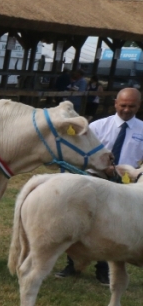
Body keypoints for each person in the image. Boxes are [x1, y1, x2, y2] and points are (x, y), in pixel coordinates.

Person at [56, 87, 143, 284]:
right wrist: (104, 168)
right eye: (123, 105)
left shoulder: (142, 130)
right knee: (80, 220)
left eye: (132, 106)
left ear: (139, 105)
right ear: (115, 103)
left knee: (113, 227)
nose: (127, 110)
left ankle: (103, 269)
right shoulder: (98, 126)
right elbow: (81, 154)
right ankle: (73, 264)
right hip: (94, 180)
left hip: (125, 187)